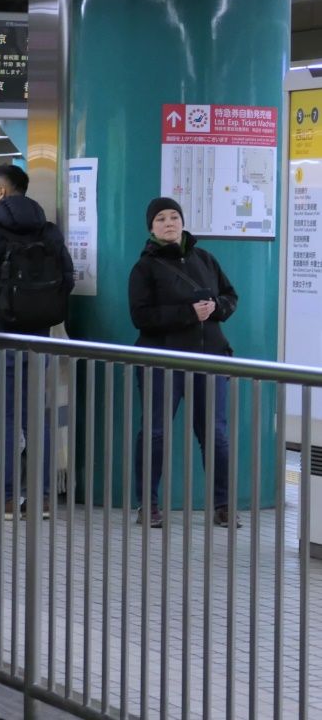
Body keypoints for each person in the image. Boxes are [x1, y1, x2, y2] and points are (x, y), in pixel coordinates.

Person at [0, 164, 74, 518]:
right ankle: (44, 497)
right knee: (37, 416)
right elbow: (66, 278)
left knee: (1, 418)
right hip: (38, 336)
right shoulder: (49, 230)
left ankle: (6, 498)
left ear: (2, 191)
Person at [128, 197, 239, 529]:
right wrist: (188, 314)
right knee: (156, 432)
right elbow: (140, 316)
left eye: (174, 216)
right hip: (162, 359)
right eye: (160, 218)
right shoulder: (144, 267)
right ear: (151, 228)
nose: (169, 223)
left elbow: (230, 296)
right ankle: (148, 504)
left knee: (216, 434)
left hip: (210, 359)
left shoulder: (205, 258)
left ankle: (223, 503)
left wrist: (215, 308)